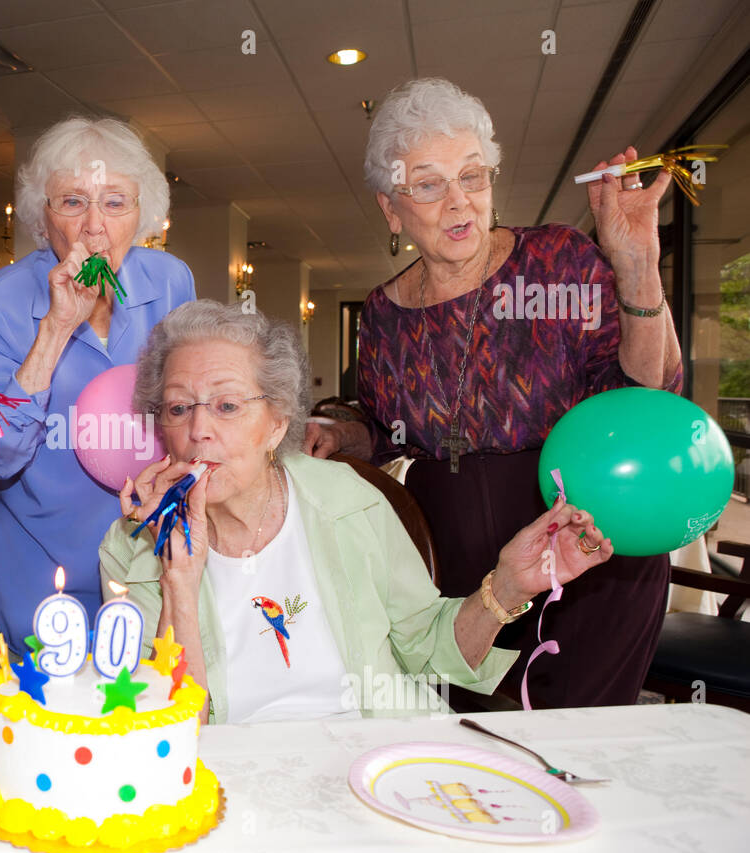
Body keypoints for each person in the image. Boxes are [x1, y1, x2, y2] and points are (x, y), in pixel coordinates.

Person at [306, 78, 682, 709]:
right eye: (428, 184)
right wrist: (343, 433)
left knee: (580, 737)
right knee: (475, 745)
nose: (459, 202)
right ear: (391, 208)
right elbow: (382, 426)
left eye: (473, 177)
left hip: (584, 540)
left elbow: (649, 395)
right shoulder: (381, 314)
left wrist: (638, 263)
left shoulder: (561, 261)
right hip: (456, 570)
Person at [100, 301, 611, 723]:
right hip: (231, 780)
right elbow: (161, 729)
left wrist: (508, 585)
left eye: (227, 406)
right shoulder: (132, 546)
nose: (199, 430)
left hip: (380, 754)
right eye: (178, 407)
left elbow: (424, 648)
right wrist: (179, 581)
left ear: (278, 424)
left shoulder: (348, 498)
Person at [0, 117, 194, 653]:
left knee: (151, 713)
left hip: (149, 562)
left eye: (115, 203)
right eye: (72, 201)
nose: (94, 226)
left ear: (143, 215)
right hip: (39, 572)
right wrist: (57, 328)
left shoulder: (170, 282)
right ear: (43, 216)